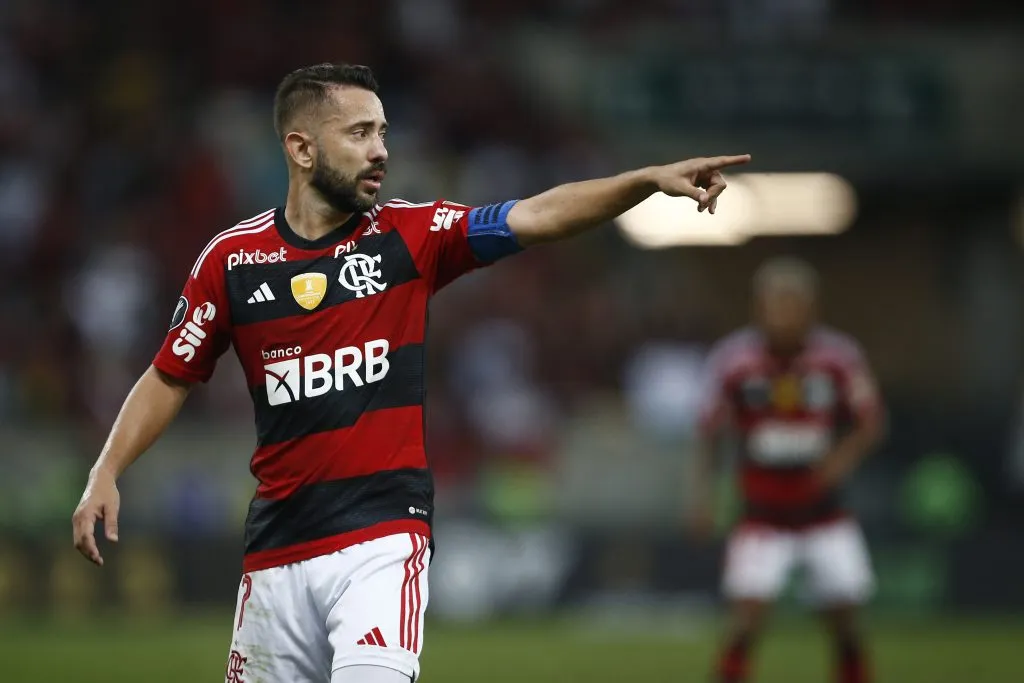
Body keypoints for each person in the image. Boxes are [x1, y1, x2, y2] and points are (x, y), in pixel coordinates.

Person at [71, 62, 751, 683]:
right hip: (276, 555)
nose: (381, 151)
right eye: (360, 133)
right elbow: (169, 375)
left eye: (384, 133)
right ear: (302, 149)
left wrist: (641, 181)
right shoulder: (232, 261)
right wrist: (106, 468)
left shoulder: (411, 234)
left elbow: (537, 214)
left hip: (381, 541)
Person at [689, 257, 885, 683]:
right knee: (745, 619)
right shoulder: (733, 360)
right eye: (775, 303)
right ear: (758, 307)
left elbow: (871, 421)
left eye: (792, 303)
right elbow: (709, 431)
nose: (783, 313)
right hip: (762, 512)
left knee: (846, 623)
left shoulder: (838, 357)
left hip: (824, 511)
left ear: (811, 307)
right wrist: (704, 497)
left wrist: (840, 459)